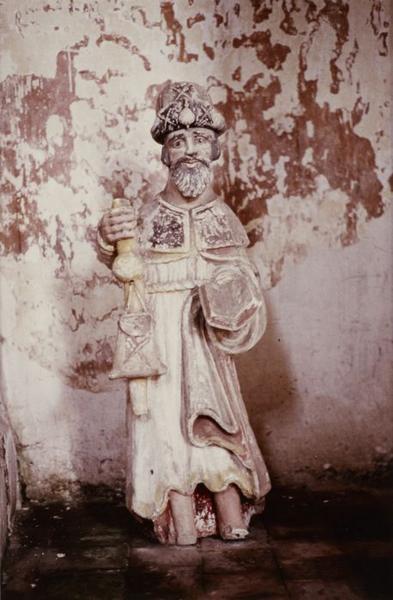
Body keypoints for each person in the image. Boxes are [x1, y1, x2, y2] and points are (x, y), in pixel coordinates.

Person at [97, 81, 271, 545]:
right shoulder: (147, 215)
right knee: (165, 430)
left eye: (198, 141)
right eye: (178, 142)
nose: (189, 150)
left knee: (216, 426)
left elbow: (243, 277)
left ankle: (229, 507)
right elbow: (125, 264)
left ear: (213, 151)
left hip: (204, 339)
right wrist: (108, 237)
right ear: (165, 156)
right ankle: (179, 516)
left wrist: (229, 298)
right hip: (158, 340)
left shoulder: (223, 215)